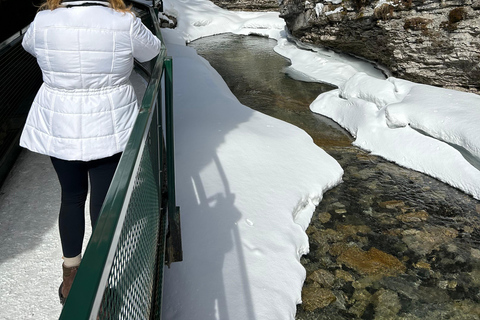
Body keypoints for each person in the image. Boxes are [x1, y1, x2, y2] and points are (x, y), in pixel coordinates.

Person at [20, 0, 162, 304]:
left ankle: (70, 278)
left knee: (71, 197)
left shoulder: (44, 20)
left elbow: (29, 45)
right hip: (109, 124)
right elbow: (152, 51)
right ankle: (98, 278)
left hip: (61, 124)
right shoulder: (123, 21)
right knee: (104, 202)